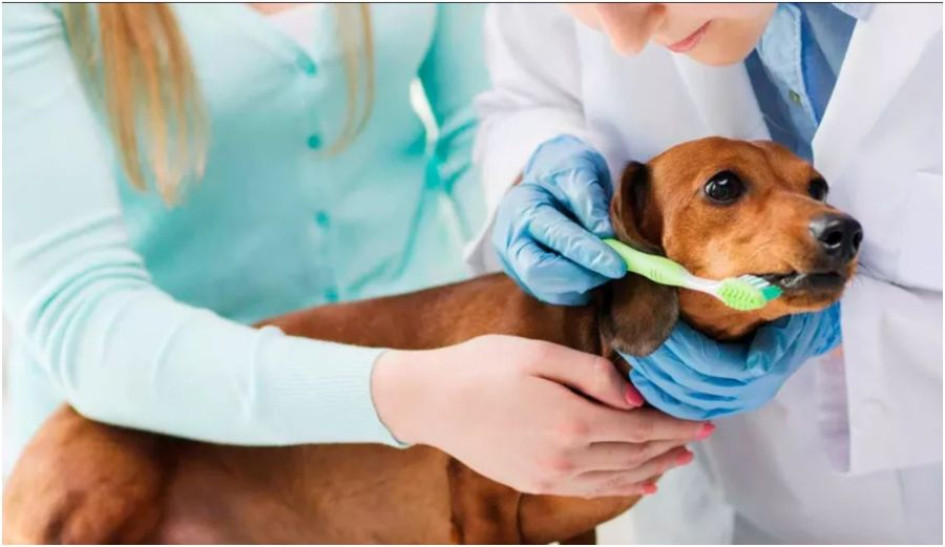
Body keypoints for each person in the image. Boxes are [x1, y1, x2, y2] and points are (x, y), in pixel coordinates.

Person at [3, 2, 710, 498]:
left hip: (428, 446)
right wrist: (419, 395)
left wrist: (530, 200)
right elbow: (80, 318)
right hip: (156, 469)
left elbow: (475, 121)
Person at [475, 3, 942, 543]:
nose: (625, 37)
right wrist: (537, 162)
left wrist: (863, 329)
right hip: (713, 487)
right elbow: (530, 93)